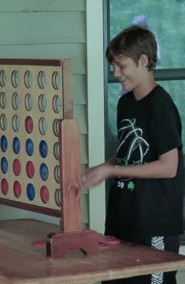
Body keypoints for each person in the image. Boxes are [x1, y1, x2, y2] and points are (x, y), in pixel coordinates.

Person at [82, 26, 184, 284]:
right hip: (122, 220)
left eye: (121, 66)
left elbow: (169, 166)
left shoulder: (161, 106)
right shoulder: (126, 103)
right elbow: (127, 154)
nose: (116, 74)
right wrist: (100, 169)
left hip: (153, 225)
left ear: (143, 61)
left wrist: (111, 171)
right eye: (113, 66)